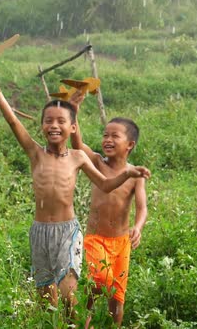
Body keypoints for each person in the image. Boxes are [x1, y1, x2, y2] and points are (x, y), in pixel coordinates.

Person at [0, 69, 150, 318]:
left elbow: (104, 184)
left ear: (73, 127)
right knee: (45, 299)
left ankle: (77, 324)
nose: (54, 126)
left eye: (61, 121)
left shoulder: (78, 157)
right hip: (40, 231)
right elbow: (13, 121)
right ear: (41, 127)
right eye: (48, 121)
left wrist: (128, 174)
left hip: (67, 232)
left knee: (69, 295)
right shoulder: (35, 152)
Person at [69, 92, 148, 326]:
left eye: (115, 136)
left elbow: (142, 207)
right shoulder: (96, 162)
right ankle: (86, 321)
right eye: (105, 135)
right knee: (101, 280)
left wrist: (138, 226)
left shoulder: (135, 175)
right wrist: (74, 111)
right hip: (96, 239)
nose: (107, 140)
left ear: (130, 145)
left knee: (117, 296)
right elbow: (77, 145)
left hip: (121, 242)